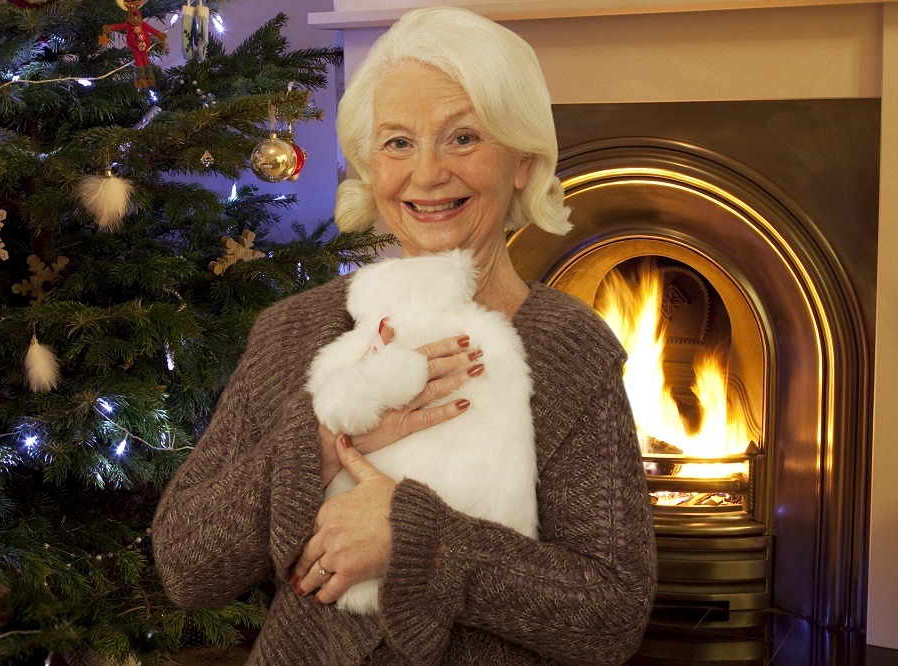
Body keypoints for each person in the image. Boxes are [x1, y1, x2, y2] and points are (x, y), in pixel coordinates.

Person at [152, 6, 656, 664]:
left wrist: (418, 539)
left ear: (524, 163)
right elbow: (186, 565)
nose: (425, 174)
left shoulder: (569, 349)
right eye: (398, 143)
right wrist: (328, 440)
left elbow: (612, 612)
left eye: (463, 138)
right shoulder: (296, 331)